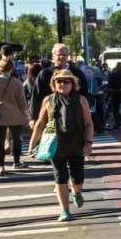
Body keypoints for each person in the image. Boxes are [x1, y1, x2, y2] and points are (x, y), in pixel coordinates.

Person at [27, 69, 94, 222]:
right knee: (60, 177)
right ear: (54, 83)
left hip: (76, 142)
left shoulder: (81, 100)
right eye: (59, 81)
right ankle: (65, 210)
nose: (62, 84)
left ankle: (76, 192)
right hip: (55, 143)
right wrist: (32, 143)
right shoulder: (48, 100)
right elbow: (40, 123)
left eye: (66, 81)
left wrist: (88, 142)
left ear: (73, 83)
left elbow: (88, 123)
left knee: (78, 178)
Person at [0, 57, 31, 176]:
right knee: (16, 139)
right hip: (15, 115)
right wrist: (27, 116)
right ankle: (16, 162)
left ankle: (0, 165)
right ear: (12, 69)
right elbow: (22, 102)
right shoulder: (17, 83)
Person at [31, 44, 89, 125]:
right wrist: (33, 118)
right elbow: (36, 96)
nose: (61, 57)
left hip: (72, 115)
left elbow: (84, 93)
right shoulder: (45, 74)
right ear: (53, 56)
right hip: (50, 114)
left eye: (64, 55)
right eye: (58, 54)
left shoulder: (76, 73)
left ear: (68, 56)